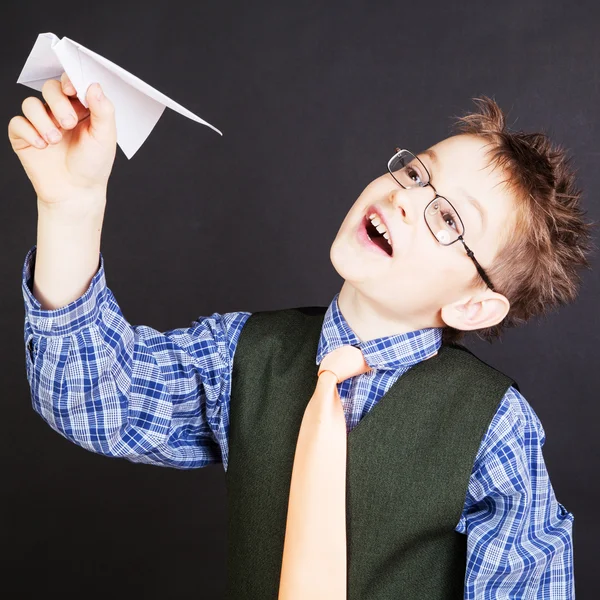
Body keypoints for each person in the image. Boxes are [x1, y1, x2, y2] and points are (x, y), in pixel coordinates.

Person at [10, 72, 593, 599]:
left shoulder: (495, 429)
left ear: (472, 305)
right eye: (418, 173)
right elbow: (92, 401)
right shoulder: (241, 356)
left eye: (448, 220)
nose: (408, 199)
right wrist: (70, 208)